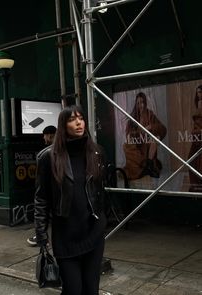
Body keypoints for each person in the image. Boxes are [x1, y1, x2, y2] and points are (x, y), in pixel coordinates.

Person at [34, 105, 107, 294]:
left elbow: (101, 191)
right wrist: (42, 236)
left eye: (81, 118)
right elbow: (41, 199)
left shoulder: (97, 153)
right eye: (72, 119)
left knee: (91, 290)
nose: (78, 123)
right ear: (63, 125)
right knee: (73, 290)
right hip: (66, 236)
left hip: (93, 234)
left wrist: (102, 220)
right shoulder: (48, 157)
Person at [123, 92, 167, 180]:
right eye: (138, 103)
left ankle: (149, 165)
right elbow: (128, 135)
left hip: (147, 145)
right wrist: (138, 132)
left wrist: (151, 127)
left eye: (142, 102)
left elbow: (163, 128)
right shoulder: (133, 117)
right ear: (136, 104)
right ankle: (144, 167)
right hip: (137, 145)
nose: (140, 105)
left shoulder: (150, 114)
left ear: (145, 103)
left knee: (156, 138)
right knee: (126, 146)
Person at [27, 125, 57, 246]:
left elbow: (40, 197)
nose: (43, 138)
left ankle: (43, 236)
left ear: (49, 136)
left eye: (44, 136)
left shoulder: (46, 154)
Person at [188, 85, 202, 192]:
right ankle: (195, 184)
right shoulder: (198, 104)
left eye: (200, 92)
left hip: (199, 135)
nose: (199, 94)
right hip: (197, 136)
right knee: (192, 160)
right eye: (197, 92)